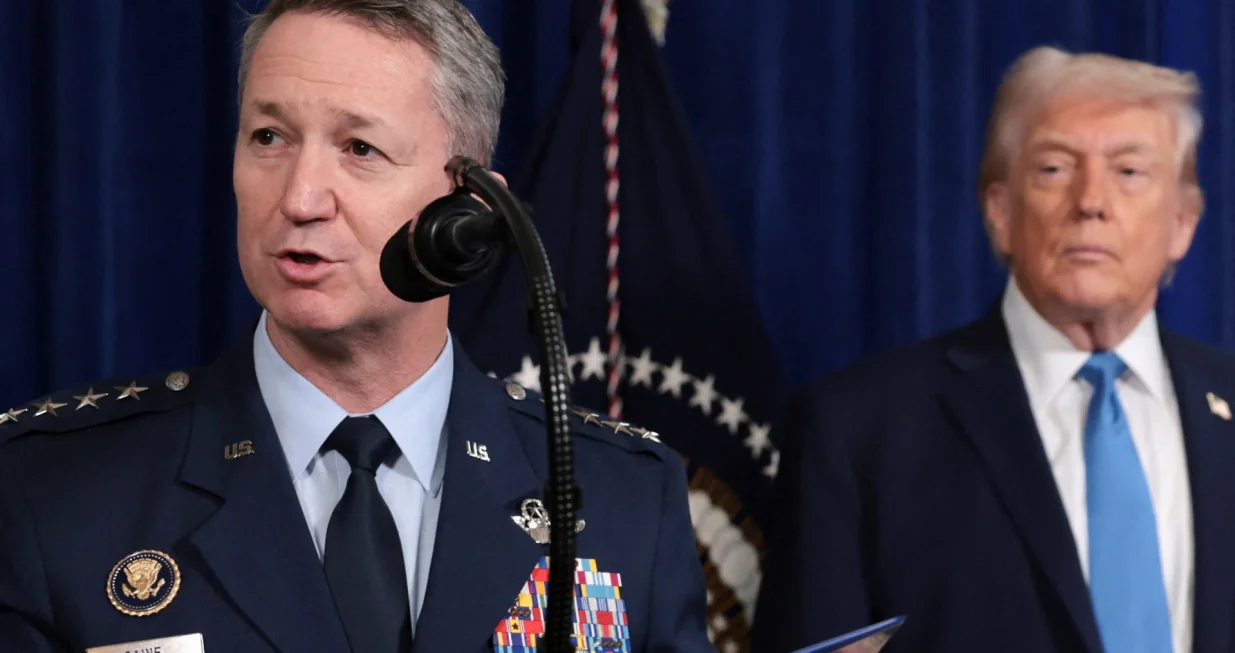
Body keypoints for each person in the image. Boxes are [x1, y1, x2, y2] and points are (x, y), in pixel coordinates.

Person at [0, 2, 713, 652]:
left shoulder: (624, 498)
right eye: (269, 136)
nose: (300, 197)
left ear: (469, 215)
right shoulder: (47, 492)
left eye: (359, 148)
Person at [752, 46, 1230, 653]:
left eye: (1129, 171)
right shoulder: (859, 431)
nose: (1091, 201)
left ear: (1184, 224)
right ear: (1000, 211)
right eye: (1055, 169)